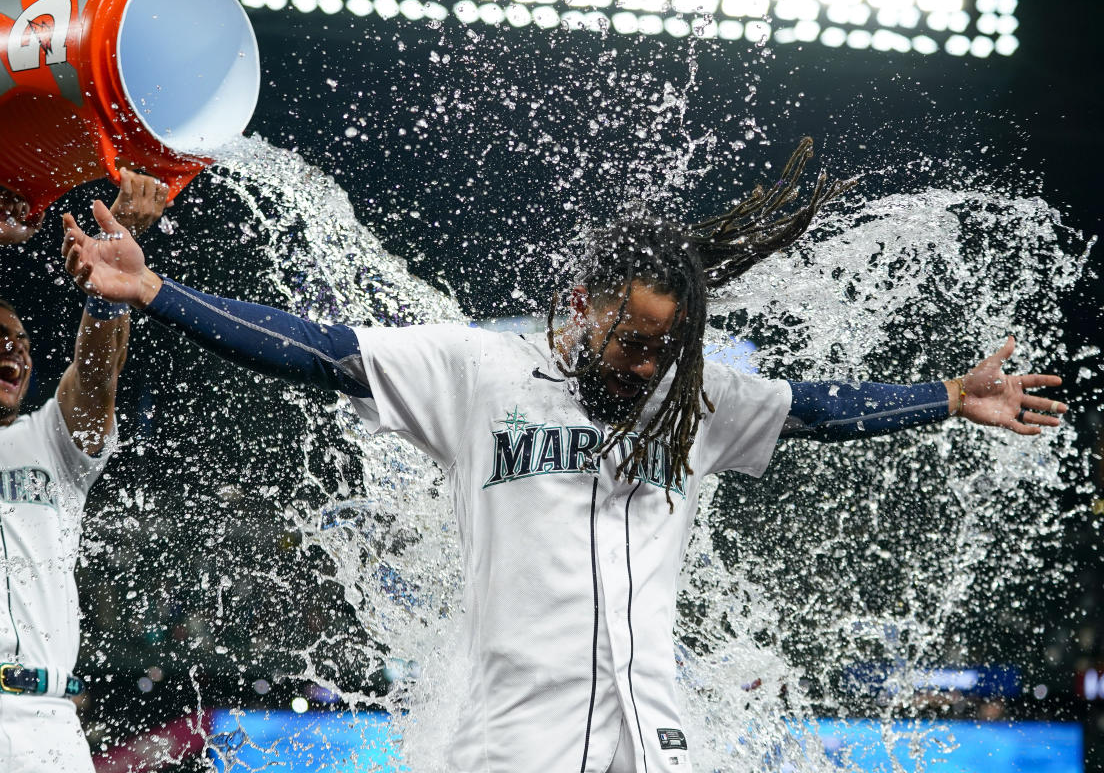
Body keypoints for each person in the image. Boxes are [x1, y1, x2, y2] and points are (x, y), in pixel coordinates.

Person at [61, 139, 1066, 773]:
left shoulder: (691, 399)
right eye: (633, 338)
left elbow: (818, 408)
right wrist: (156, 294)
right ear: (583, 308)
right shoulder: (476, 372)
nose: (647, 362)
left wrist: (943, 395)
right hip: (510, 741)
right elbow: (318, 348)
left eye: (666, 345)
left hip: (655, 736)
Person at [0, 170, 168, 773]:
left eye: (23, 341)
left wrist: (106, 289)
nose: (16, 350)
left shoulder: (49, 440)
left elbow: (97, 373)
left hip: (50, 721)